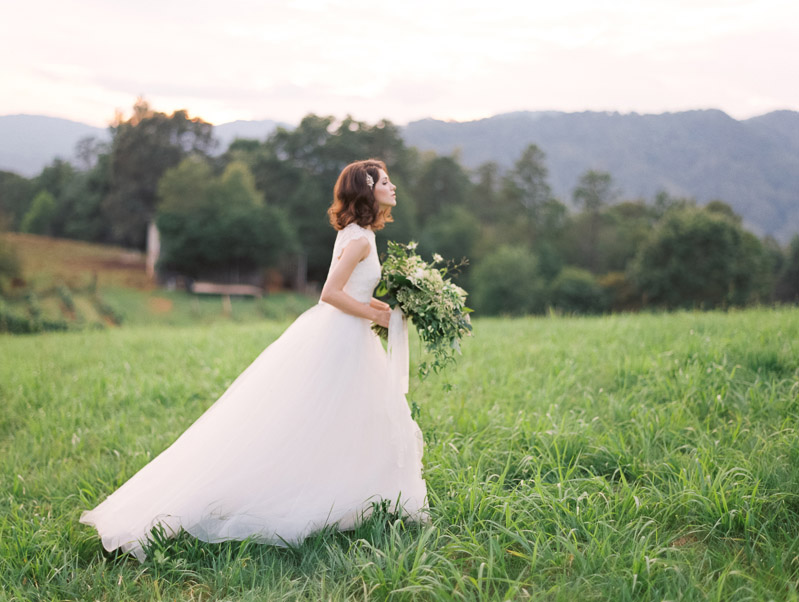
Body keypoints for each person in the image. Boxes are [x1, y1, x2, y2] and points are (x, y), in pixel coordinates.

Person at [80, 159, 428, 562]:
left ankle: (356, 495)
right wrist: (378, 316)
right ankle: (317, 496)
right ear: (368, 191)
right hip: (343, 339)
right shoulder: (361, 240)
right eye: (386, 181)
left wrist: (380, 308)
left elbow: (353, 291)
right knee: (333, 418)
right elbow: (330, 294)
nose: (393, 186)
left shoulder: (357, 233)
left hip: (347, 336)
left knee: (349, 418)